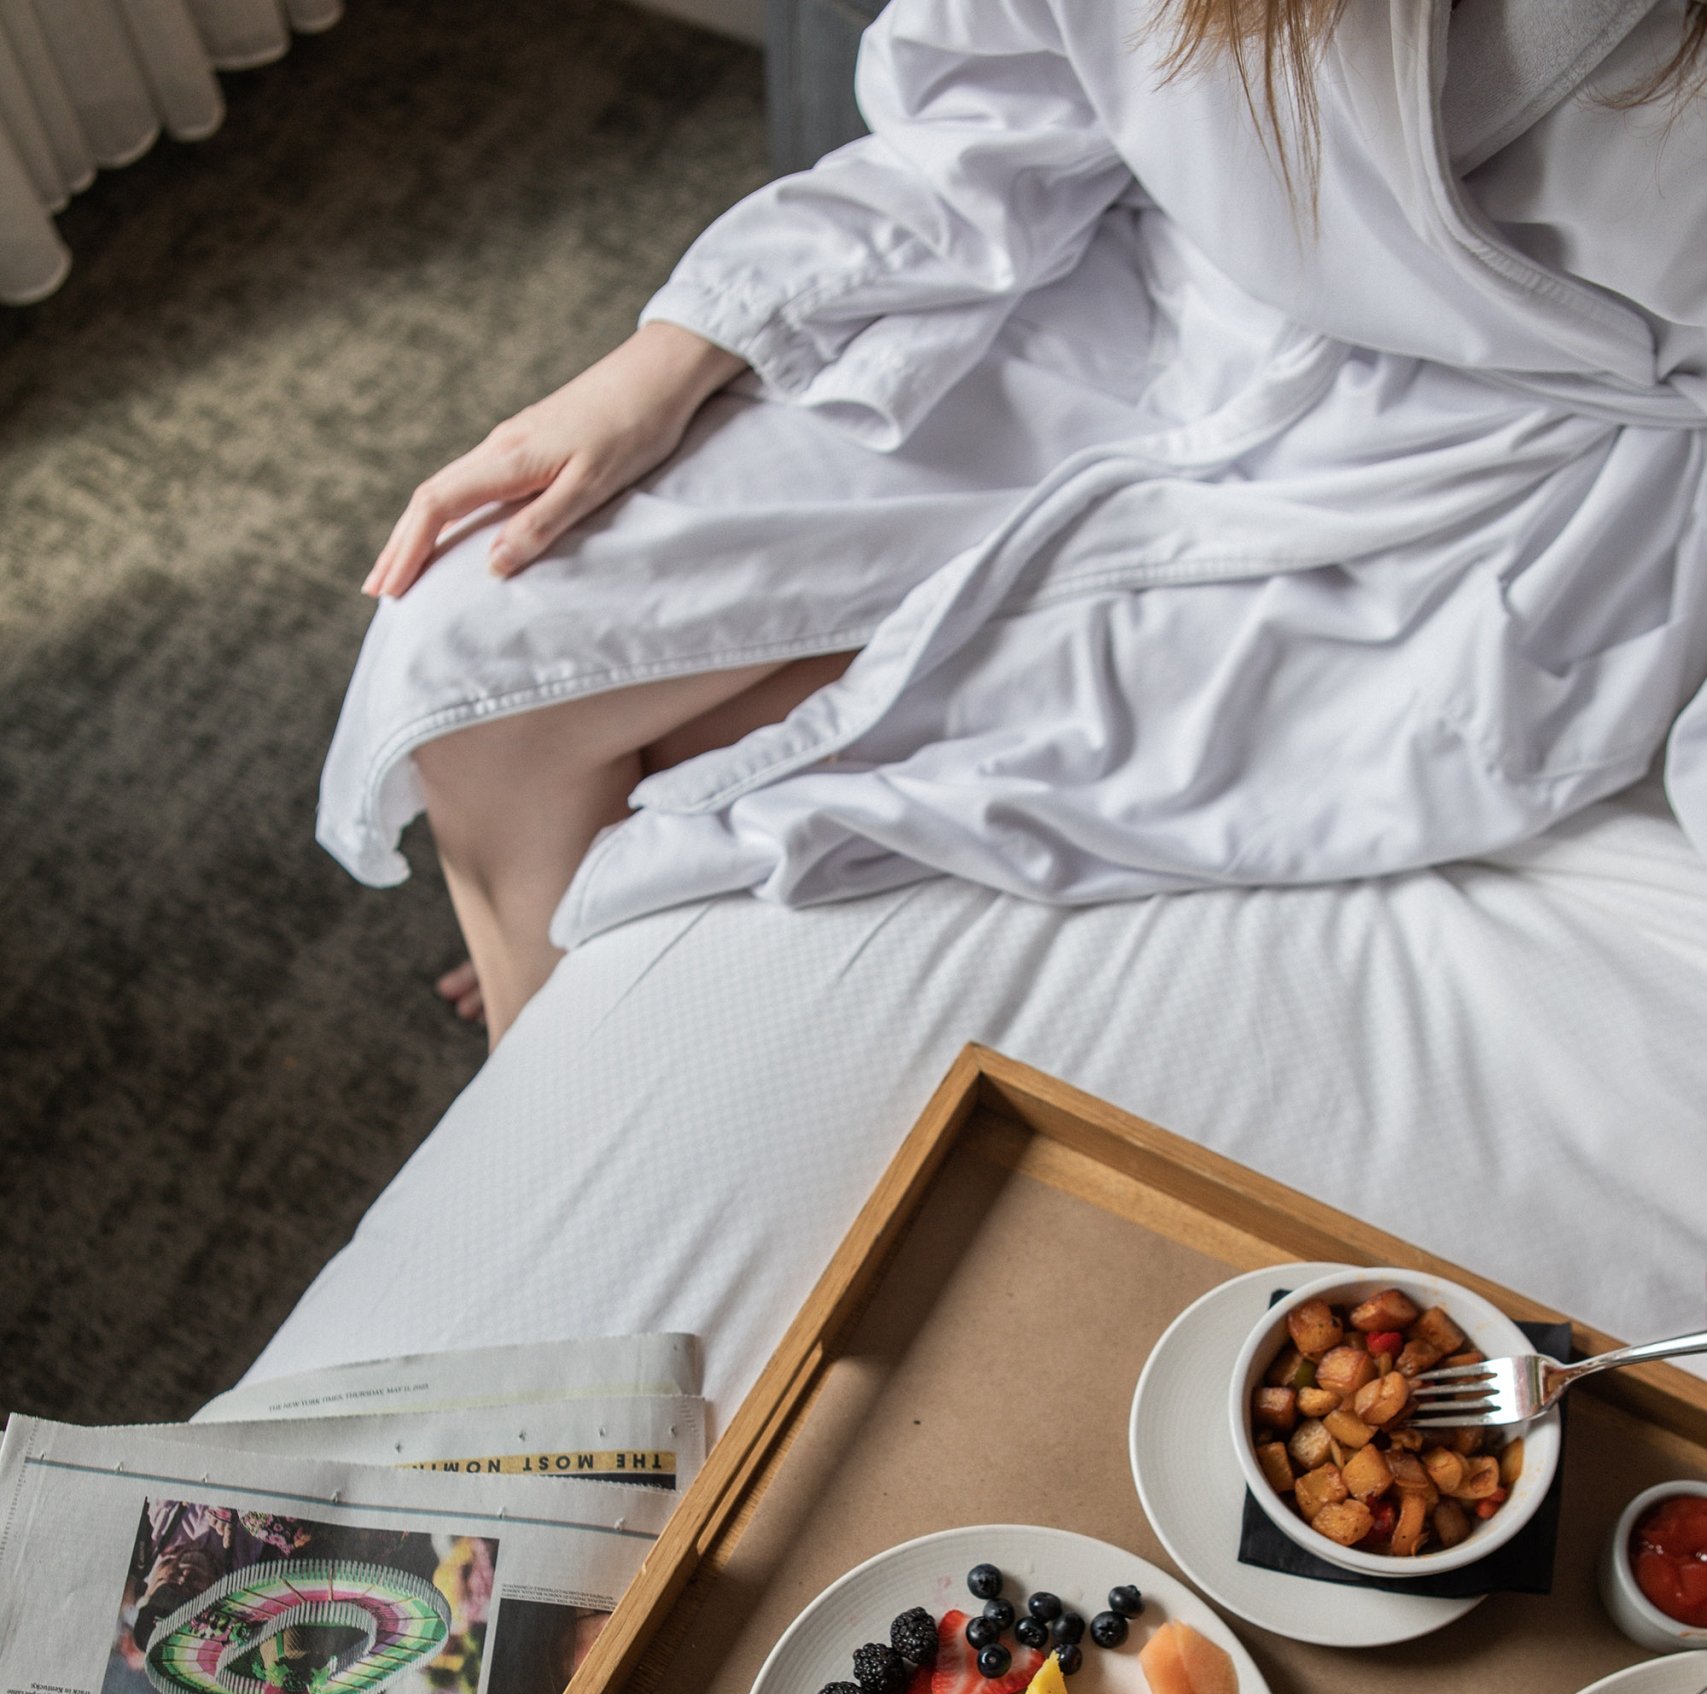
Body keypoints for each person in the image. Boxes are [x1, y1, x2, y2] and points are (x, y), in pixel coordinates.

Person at [320, 0, 1707, 1044]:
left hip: (1506, 471)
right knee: (475, 645)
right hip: (1142, 305)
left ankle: (556, 982)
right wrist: (661, 363)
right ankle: (536, 1015)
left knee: (698, 765)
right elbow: (992, 111)